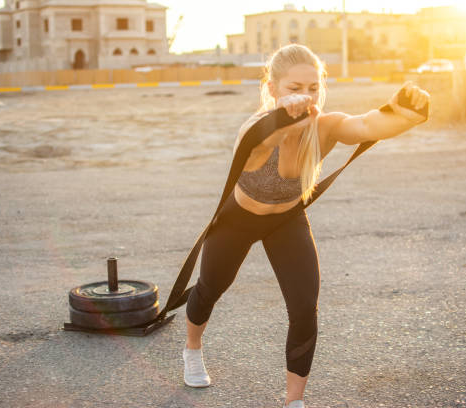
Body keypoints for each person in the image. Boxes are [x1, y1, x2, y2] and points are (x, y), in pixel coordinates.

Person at [183, 44, 430, 408]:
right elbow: (262, 139)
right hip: (238, 219)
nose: (306, 96)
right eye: (294, 87)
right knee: (209, 289)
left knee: (303, 308)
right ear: (271, 88)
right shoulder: (255, 127)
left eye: (313, 88)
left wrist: (408, 113)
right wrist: (283, 117)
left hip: (286, 219)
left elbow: (367, 124)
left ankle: (294, 402)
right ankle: (192, 350)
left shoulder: (325, 127)